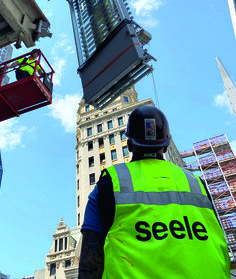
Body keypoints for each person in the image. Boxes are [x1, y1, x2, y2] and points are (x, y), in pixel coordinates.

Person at [78, 105, 230, 279]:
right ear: (165, 147)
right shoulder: (196, 184)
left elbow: (89, 266)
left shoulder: (110, 183)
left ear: (128, 144)